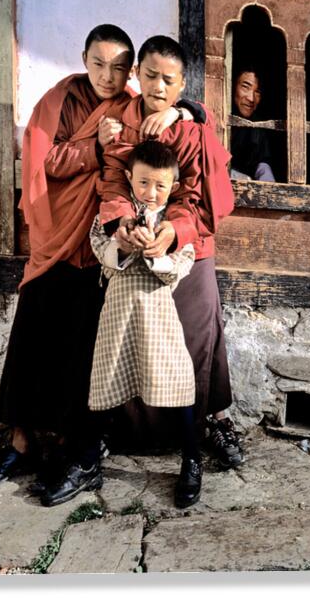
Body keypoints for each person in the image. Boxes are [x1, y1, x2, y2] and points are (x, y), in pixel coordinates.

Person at [0, 24, 194, 492]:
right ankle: (19, 442)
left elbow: (180, 122)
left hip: (104, 245)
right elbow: (45, 160)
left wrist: (184, 110)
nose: (107, 76)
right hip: (56, 238)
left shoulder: (134, 107)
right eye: (98, 64)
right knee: (31, 333)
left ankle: (73, 450)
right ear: (83, 59)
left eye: (118, 67)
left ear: (131, 71)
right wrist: (95, 146)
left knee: (82, 351)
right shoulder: (60, 101)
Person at [97, 35, 244, 476]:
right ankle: (123, 431)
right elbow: (112, 184)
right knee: (132, 337)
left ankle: (212, 426)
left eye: (169, 80)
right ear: (137, 74)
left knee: (198, 339)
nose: (158, 87)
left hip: (189, 247)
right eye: (150, 76)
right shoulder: (117, 122)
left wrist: (172, 233)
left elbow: (195, 196)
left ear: (182, 85)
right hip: (135, 247)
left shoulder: (190, 125)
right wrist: (123, 224)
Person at [86, 141, 202, 507]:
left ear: (174, 187)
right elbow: (98, 250)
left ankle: (192, 459)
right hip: (118, 312)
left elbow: (182, 265)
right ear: (129, 179)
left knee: (178, 383)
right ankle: (88, 457)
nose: (151, 193)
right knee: (105, 382)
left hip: (159, 315)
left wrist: (157, 253)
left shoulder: (175, 223)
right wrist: (121, 244)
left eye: (160, 186)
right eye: (143, 183)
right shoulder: (113, 214)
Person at [229, 67, 276, 182]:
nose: (251, 98)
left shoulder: (257, 126)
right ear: (232, 86)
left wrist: (268, 183)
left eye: (257, 92)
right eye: (245, 87)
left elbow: (262, 163)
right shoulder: (215, 116)